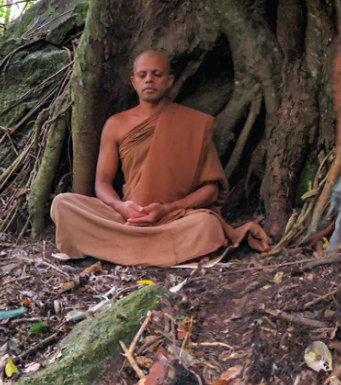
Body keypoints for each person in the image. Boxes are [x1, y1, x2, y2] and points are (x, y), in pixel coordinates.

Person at [50, 50, 270, 267]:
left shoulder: (191, 123)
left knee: (207, 225)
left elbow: (211, 189)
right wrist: (121, 206)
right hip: (127, 217)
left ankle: (113, 249)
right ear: (133, 82)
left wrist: (168, 209)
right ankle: (153, 250)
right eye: (142, 74)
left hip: (174, 218)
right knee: (62, 204)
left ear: (169, 81)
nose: (149, 79)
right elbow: (102, 182)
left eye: (157, 74)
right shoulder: (116, 124)